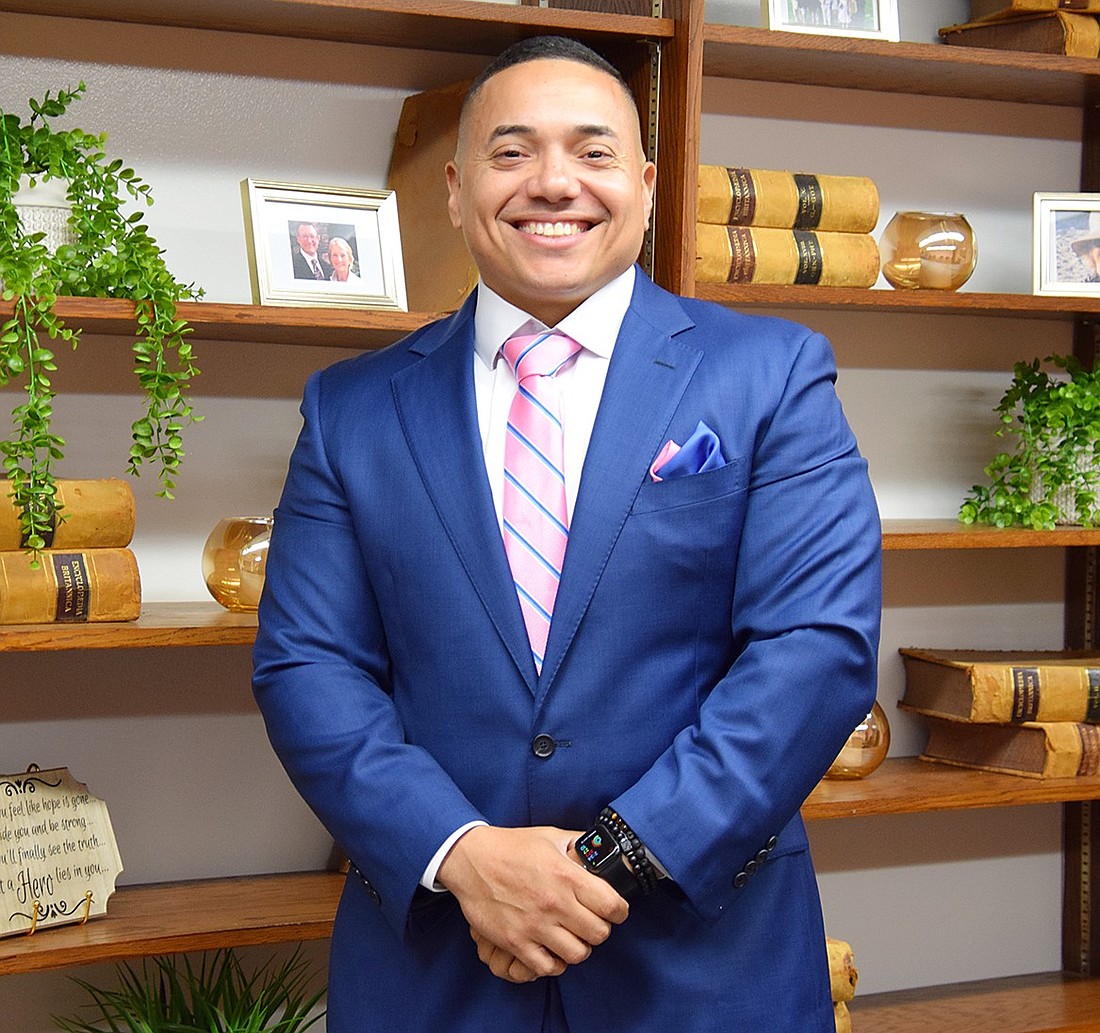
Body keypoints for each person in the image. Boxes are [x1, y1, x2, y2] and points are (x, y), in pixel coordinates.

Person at [252, 34, 881, 1033]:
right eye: (511, 154)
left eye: (590, 154)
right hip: (437, 963)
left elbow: (814, 652)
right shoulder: (352, 408)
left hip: (696, 959)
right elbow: (305, 665)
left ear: (640, 183)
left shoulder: (771, 376)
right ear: (457, 189)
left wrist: (598, 869)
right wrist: (464, 853)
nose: (553, 183)